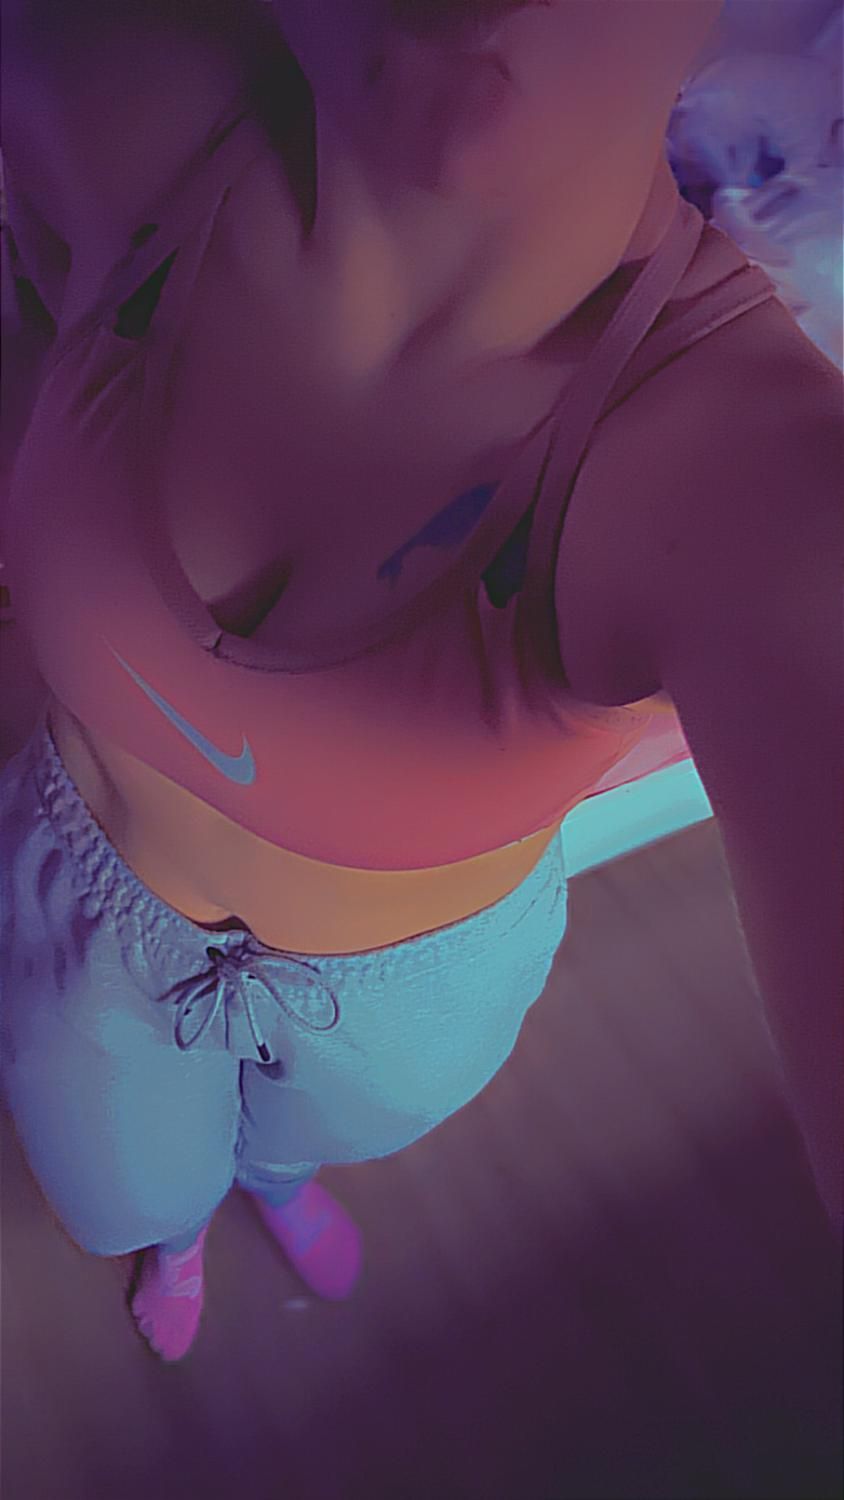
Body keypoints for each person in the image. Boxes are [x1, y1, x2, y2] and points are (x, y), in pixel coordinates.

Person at [1, 1, 836, 1366]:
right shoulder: (94, 90)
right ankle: (182, 1232)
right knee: (126, 1190)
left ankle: (274, 1177)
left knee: (319, 1131)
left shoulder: (753, 476)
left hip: (402, 989)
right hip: (80, 916)